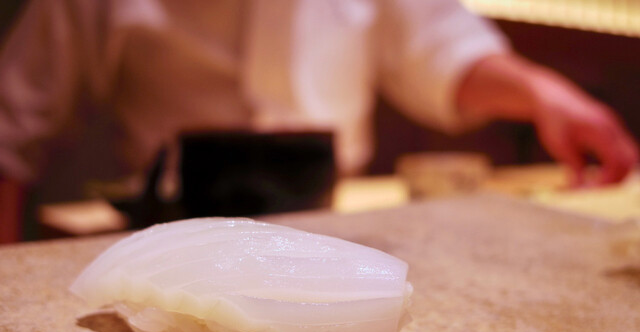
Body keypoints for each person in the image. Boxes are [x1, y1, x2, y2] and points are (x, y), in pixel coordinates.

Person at [0, 0, 637, 242]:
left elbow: (442, 51)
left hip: (338, 224)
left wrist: (545, 93)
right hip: (172, 229)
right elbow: (9, 137)